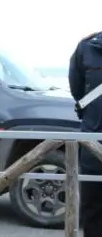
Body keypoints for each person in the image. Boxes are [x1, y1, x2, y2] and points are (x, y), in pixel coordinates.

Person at [69, 28, 102, 237]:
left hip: (94, 140)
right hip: (93, 146)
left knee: (94, 215)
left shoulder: (87, 47)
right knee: (93, 214)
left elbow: (79, 93)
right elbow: (79, 93)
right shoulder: (86, 48)